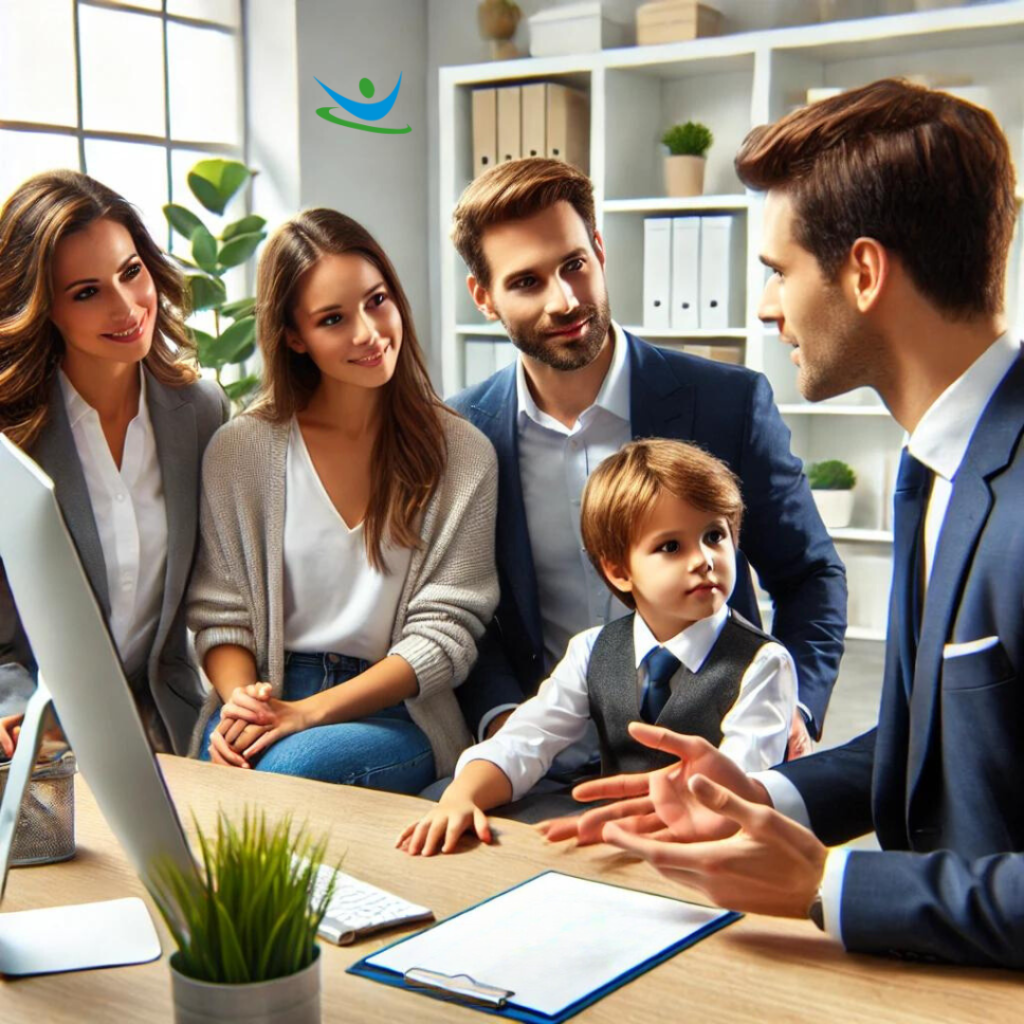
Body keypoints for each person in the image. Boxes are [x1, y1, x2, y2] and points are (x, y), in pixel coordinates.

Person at [549, 78, 1024, 970]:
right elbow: (932, 744)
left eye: (777, 273)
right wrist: (763, 796)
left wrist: (826, 888)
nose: (767, 310)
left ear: (866, 273)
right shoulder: (940, 461)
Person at [446, 157, 846, 763]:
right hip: (539, 763)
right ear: (484, 297)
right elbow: (468, 611)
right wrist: (503, 720)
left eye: (574, 265)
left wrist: (794, 705)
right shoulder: (461, 435)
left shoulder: (728, 403)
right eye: (526, 282)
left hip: (717, 756)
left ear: (599, 250)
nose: (565, 300)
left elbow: (809, 576)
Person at [186, 209, 499, 794]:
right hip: (269, 690)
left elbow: (446, 633)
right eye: (333, 319)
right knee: (219, 780)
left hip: (397, 709)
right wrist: (243, 704)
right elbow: (219, 613)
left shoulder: (462, 453)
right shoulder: (241, 450)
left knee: (282, 776)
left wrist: (308, 714)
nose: (368, 332)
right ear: (294, 337)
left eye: (376, 300)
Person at [399, 438, 796, 855]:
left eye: (714, 535)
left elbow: (743, 784)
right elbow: (528, 737)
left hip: (708, 851)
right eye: (671, 547)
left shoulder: (763, 663)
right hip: (614, 842)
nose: (703, 559)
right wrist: (462, 796)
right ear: (619, 570)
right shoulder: (593, 649)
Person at [0, 170, 227, 756]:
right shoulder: (11, 437)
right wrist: (15, 709)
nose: (127, 307)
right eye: (86, 292)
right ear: (41, 307)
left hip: (167, 726)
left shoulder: (202, 411)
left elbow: (224, 589)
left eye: (131, 272)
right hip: (39, 737)